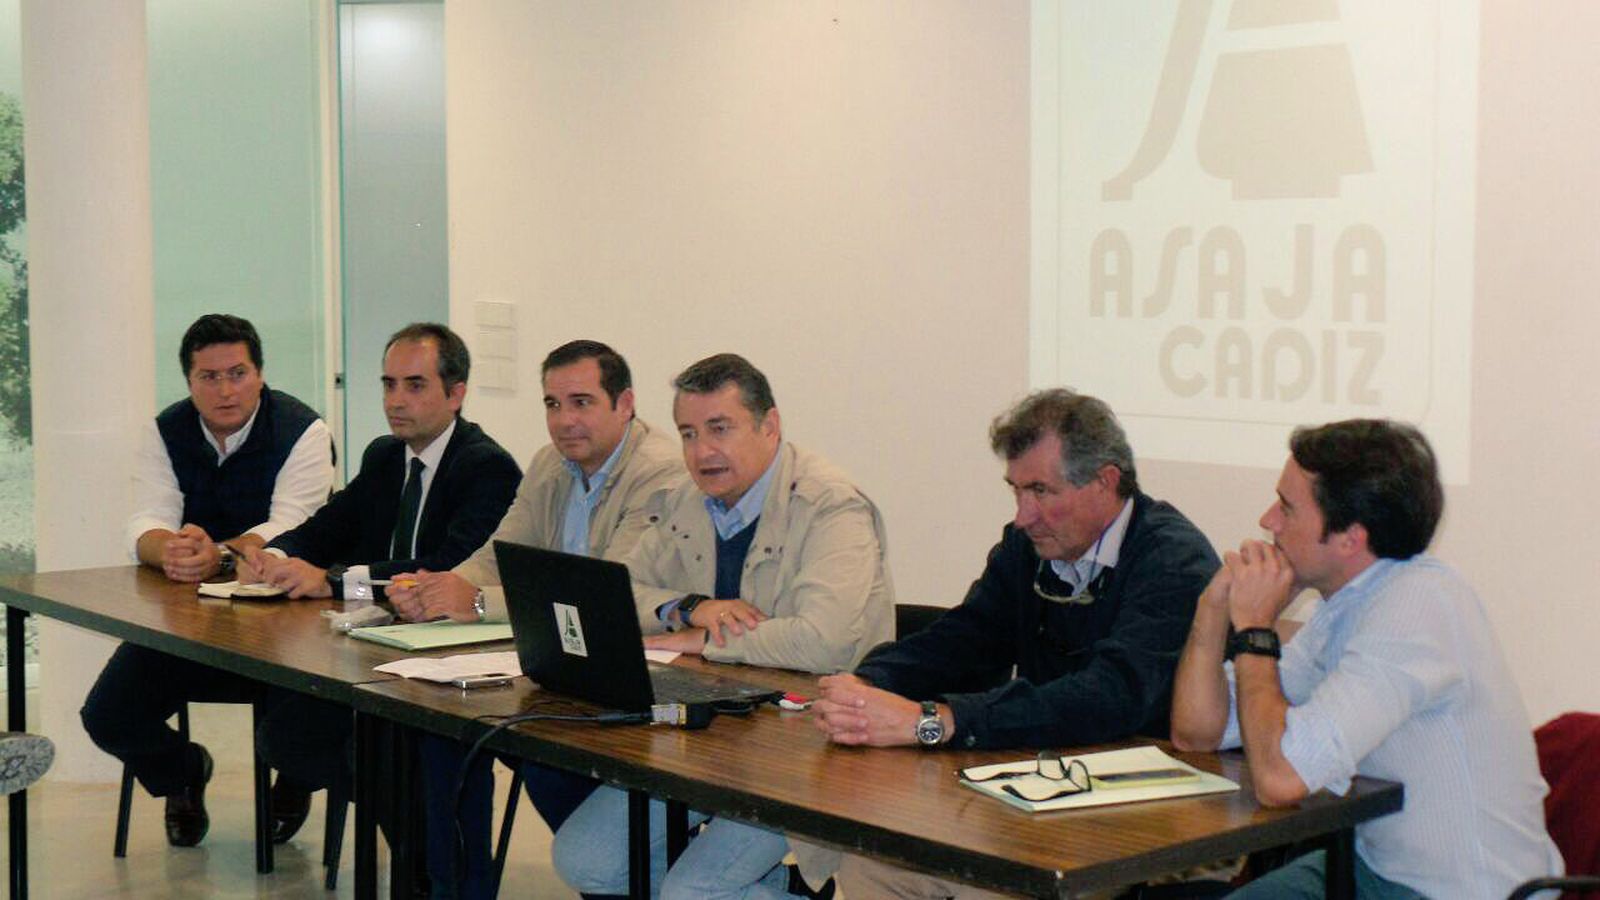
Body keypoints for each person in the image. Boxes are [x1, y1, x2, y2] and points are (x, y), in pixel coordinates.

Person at [814, 388, 1219, 899]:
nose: (1024, 515)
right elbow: (968, 636)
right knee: (871, 866)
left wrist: (941, 721)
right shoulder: (1030, 546)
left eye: (1041, 492)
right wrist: (865, 685)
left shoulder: (1173, 560)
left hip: (1138, 815)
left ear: (1104, 482)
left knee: (987, 888)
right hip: (1040, 791)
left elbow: (1112, 695)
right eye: (1016, 491)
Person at [551, 353, 895, 900]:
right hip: (712, 731)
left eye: (720, 429)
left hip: (810, 746)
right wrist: (686, 607)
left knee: (694, 893)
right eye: (688, 433)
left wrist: (707, 642)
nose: (701, 452)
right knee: (584, 860)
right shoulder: (688, 501)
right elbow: (617, 592)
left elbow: (824, 640)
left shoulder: (831, 506)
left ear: (770, 426)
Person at [1169, 420, 1561, 899]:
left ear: (1351, 538)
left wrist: (1254, 630)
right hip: (1373, 870)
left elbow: (1279, 780)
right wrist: (1213, 608)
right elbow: (1196, 732)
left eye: (1287, 508)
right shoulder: (1345, 604)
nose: (1267, 520)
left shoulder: (1416, 609)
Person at [387, 339, 683, 899]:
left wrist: (473, 602)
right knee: (445, 732)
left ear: (625, 404)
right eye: (551, 404)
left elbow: (604, 598)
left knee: (544, 754)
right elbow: (500, 554)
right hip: (557, 664)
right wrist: (440, 586)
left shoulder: (661, 475)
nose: (564, 421)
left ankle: (620, 879)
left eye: (581, 402)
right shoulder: (553, 463)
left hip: (632, 674)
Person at [240, 322, 521, 846]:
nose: (396, 400)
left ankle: (421, 859)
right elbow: (330, 524)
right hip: (373, 644)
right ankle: (413, 840)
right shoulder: (384, 456)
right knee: (285, 735)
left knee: (371, 751)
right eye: (388, 384)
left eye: (414, 385)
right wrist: (274, 554)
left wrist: (334, 581)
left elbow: (444, 567)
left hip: (442, 655)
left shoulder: (486, 467)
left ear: (456, 394)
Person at [81, 313, 334, 848]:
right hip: (189, 626)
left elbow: (294, 524)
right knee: (107, 714)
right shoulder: (165, 429)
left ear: (260, 374)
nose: (225, 390)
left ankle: (296, 781)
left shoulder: (304, 431)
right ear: (189, 383)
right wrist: (170, 551)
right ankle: (183, 772)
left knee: (299, 730)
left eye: (237, 373)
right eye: (209, 377)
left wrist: (216, 553)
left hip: (285, 629)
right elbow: (146, 518)